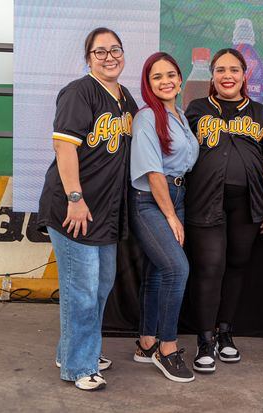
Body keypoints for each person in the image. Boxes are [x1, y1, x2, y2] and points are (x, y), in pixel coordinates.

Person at [37, 27, 138, 391]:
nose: (109, 56)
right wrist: (75, 199)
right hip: (74, 208)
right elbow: (64, 149)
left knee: (99, 287)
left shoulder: (125, 98)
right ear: (88, 58)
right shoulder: (80, 92)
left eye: (115, 50)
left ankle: (74, 351)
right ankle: (80, 366)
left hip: (105, 211)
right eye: (100, 52)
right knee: (81, 290)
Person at [184, 48, 263, 373]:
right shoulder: (196, 109)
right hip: (205, 199)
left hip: (247, 203)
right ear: (212, 75)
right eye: (220, 70)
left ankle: (225, 332)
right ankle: (204, 339)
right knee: (210, 267)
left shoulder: (261, 112)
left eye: (234, 69)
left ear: (244, 74)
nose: (227, 76)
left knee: (236, 266)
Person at [129, 52, 199, 383]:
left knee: (157, 271)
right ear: (148, 83)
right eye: (157, 77)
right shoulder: (146, 118)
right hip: (150, 201)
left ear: (180, 79)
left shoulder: (181, 116)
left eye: (170, 74)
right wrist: (171, 216)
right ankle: (166, 348)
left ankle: (146, 342)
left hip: (178, 194)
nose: (165, 81)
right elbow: (154, 172)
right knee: (177, 268)